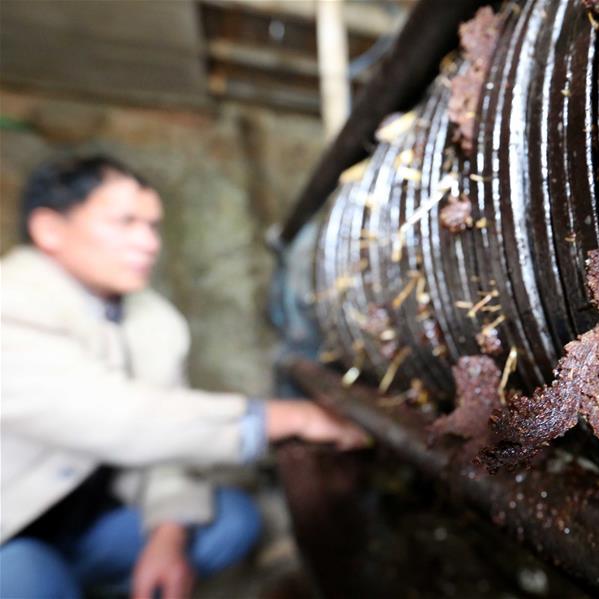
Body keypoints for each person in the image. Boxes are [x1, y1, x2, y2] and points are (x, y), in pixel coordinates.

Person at [0, 156, 369, 599]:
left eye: (153, 226)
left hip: (81, 526)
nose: (148, 242)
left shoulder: (151, 318)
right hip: (11, 535)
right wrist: (295, 417)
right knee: (29, 578)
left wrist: (167, 535)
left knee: (231, 520)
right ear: (49, 230)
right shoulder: (11, 304)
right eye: (126, 222)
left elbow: (167, 446)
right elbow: (121, 419)